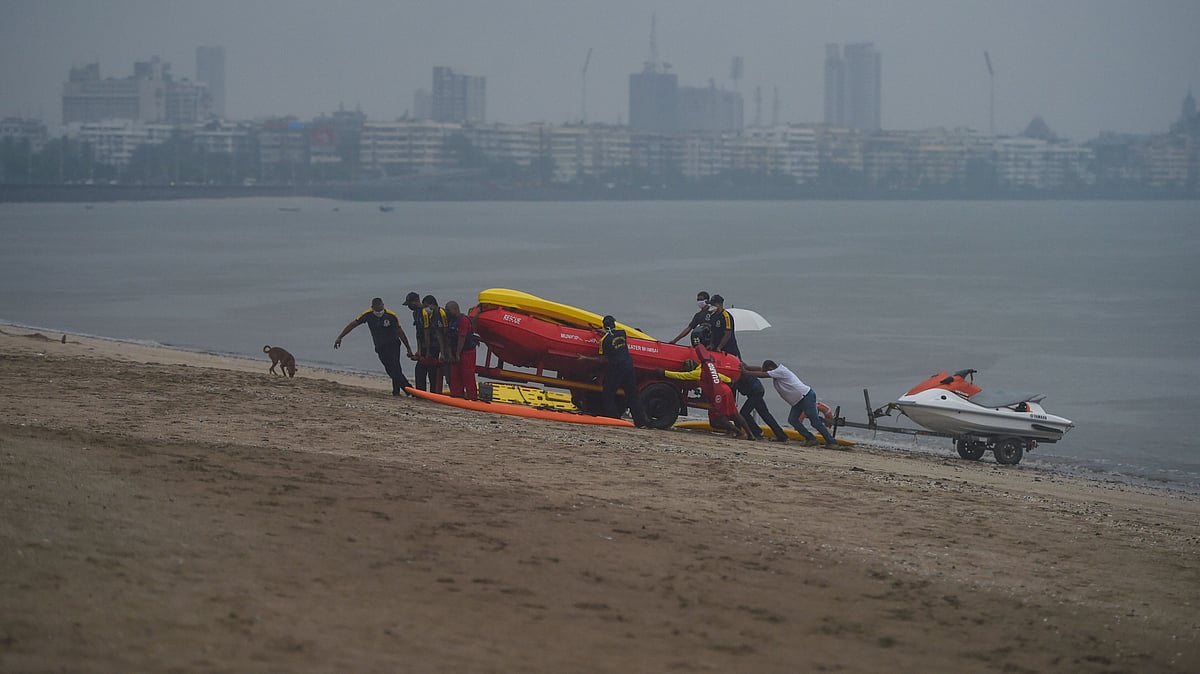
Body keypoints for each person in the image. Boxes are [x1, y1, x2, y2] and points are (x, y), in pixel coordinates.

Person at [657, 348, 753, 440]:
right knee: (734, 413)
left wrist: (664, 373)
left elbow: (680, 376)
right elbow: (722, 377)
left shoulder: (697, 373)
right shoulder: (706, 366)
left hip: (718, 393)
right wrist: (730, 380)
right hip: (725, 389)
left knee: (717, 420)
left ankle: (739, 433)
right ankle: (750, 434)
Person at [742, 360, 839, 447]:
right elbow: (760, 369)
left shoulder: (780, 371)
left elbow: (763, 374)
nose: (765, 372)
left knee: (815, 422)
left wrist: (746, 372)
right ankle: (811, 438)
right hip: (798, 401)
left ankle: (832, 442)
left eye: (767, 370)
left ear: (771, 369)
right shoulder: (776, 372)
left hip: (806, 396)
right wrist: (746, 367)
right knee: (793, 420)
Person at [334, 297, 415, 397]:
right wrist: (340, 337)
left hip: (393, 344)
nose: (379, 311)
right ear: (372, 308)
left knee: (396, 367)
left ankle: (402, 391)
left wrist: (408, 348)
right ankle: (406, 389)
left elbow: (400, 332)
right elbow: (353, 324)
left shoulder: (391, 316)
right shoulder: (367, 315)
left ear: (383, 305)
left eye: (381, 308)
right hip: (380, 346)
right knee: (390, 370)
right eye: (377, 309)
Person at [578, 315, 649, 427]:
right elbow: (613, 337)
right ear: (614, 324)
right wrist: (605, 333)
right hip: (628, 366)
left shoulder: (604, 341)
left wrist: (585, 358)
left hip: (616, 368)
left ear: (604, 326)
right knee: (632, 395)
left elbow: (602, 360)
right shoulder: (622, 333)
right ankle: (641, 422)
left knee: (608, 394)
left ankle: (614, 418)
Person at [735, 371, 788, 442]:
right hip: (756, 390)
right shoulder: (739, 370)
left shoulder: (738, 372)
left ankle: (757, 432)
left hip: (755, 392)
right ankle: (781, 435)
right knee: (765, 414)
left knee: (744, 413)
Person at [443, 300, 478, 400]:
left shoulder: (463, 320)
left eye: (448, 310)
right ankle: (457, 395)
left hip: (467, 352)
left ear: (455, 309)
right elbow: (449, 338)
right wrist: (451, 353)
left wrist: (458, 353)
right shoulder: (451, 320)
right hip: (455, 351)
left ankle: (472, 396)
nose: (447, 313)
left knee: (467, 374)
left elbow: (462, 337)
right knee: (455, 374)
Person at [421, 295, 450, 393]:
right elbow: (439, 335)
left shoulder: (443, 314)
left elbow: (446, 333)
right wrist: (441, 352)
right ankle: (435, 391)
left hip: (450, 342)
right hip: (441, 344)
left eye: (426, 306)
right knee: (435, 368)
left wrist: (447, 351)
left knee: (448, 369)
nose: (425, 309)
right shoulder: (432, 316)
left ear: (432, 305)